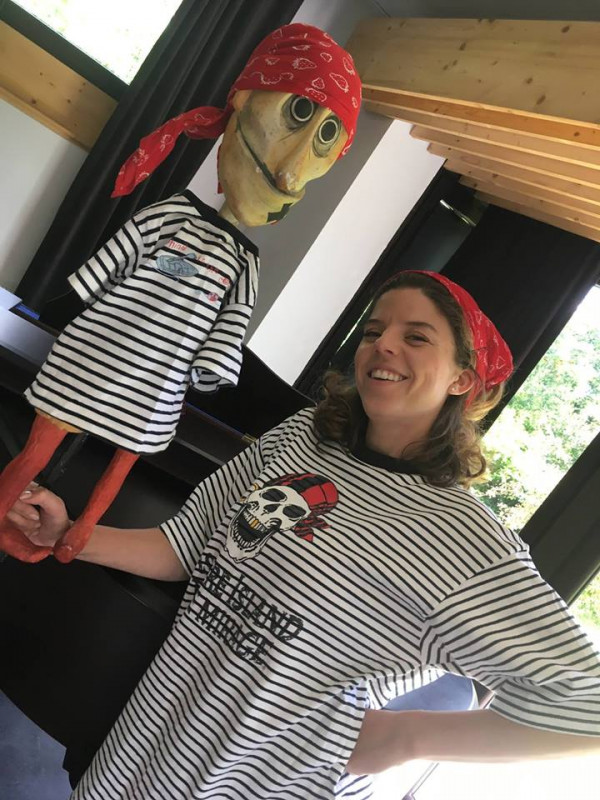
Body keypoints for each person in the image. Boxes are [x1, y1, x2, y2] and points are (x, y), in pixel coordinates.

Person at [6, 271, 600, 799]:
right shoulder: (301, 437)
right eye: (374, 331)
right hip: (149, 744)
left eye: (416, 337)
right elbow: (186, 546)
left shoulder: (463, 538)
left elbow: (588, 704)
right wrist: (68, 535)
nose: (383, 344)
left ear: (460, 380)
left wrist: (403, 738)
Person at [0, 22, 362, 564]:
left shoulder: (244, 262)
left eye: (325, 137)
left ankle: (79, 532)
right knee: (41, 445)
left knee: (123, 457)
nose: (289, 175)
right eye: (300, 113)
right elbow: (111, 265)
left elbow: (227, 331)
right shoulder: (171, 213)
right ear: (242, 100)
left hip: (157, 381)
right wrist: (63, 309)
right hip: (97, 352)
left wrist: (205, 371)